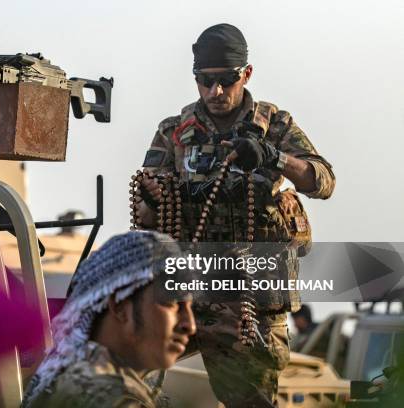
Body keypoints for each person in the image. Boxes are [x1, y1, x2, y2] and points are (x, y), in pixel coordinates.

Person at [135, 23, 335, 407]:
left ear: (246, 74)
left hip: (251, 303)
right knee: (126, 373)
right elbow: (146, 200)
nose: (216, 92)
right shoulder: (174, 131)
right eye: (205, 81)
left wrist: (274, 157)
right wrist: (157, 198)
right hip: (188, 293)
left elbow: (323, 181)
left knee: (251, 400)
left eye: (226, 80)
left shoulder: (274, 125)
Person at [21, 230, 196, 408]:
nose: (190, 325)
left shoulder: (61, 375)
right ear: (119, 307)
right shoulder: (114, 398)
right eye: (171, 303)